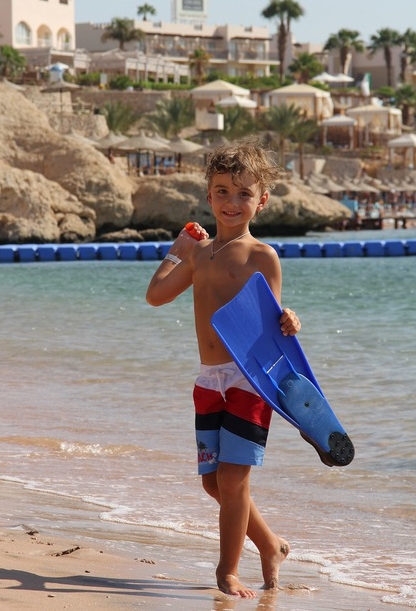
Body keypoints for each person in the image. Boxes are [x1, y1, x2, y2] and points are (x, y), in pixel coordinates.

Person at [146, 139, 301, 598]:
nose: (233, 202)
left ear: (262, 200)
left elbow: (272, 320)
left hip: (248, 379)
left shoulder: (262, 256)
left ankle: (227, 572)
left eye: (244, 194)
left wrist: (290, 320)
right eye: (222, 192)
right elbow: (156, 295)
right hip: (209, 380)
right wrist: (178, 248)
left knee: (234, 480)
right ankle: (271, 545)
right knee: (214, 484)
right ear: (208, 195)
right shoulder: (198, 254)